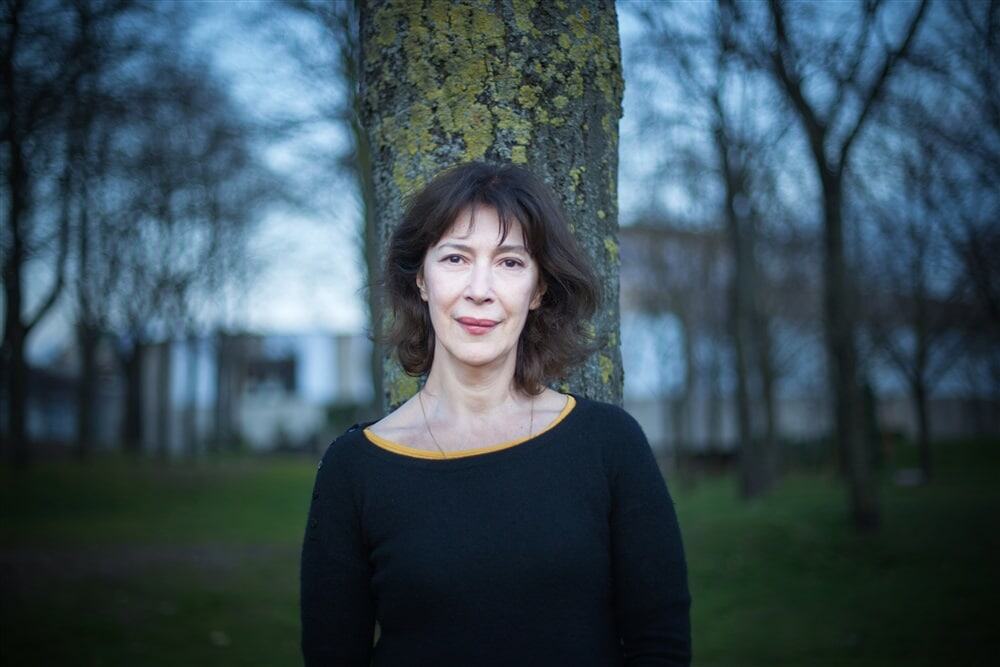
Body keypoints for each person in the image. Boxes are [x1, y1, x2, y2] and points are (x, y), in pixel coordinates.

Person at [300, 161, 691, 666]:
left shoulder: (609, 444)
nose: (479, 289)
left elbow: (660, 646)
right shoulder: (354, 468)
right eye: (456, 258)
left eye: (510, 263)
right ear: (421, 278)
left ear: (539, 289)